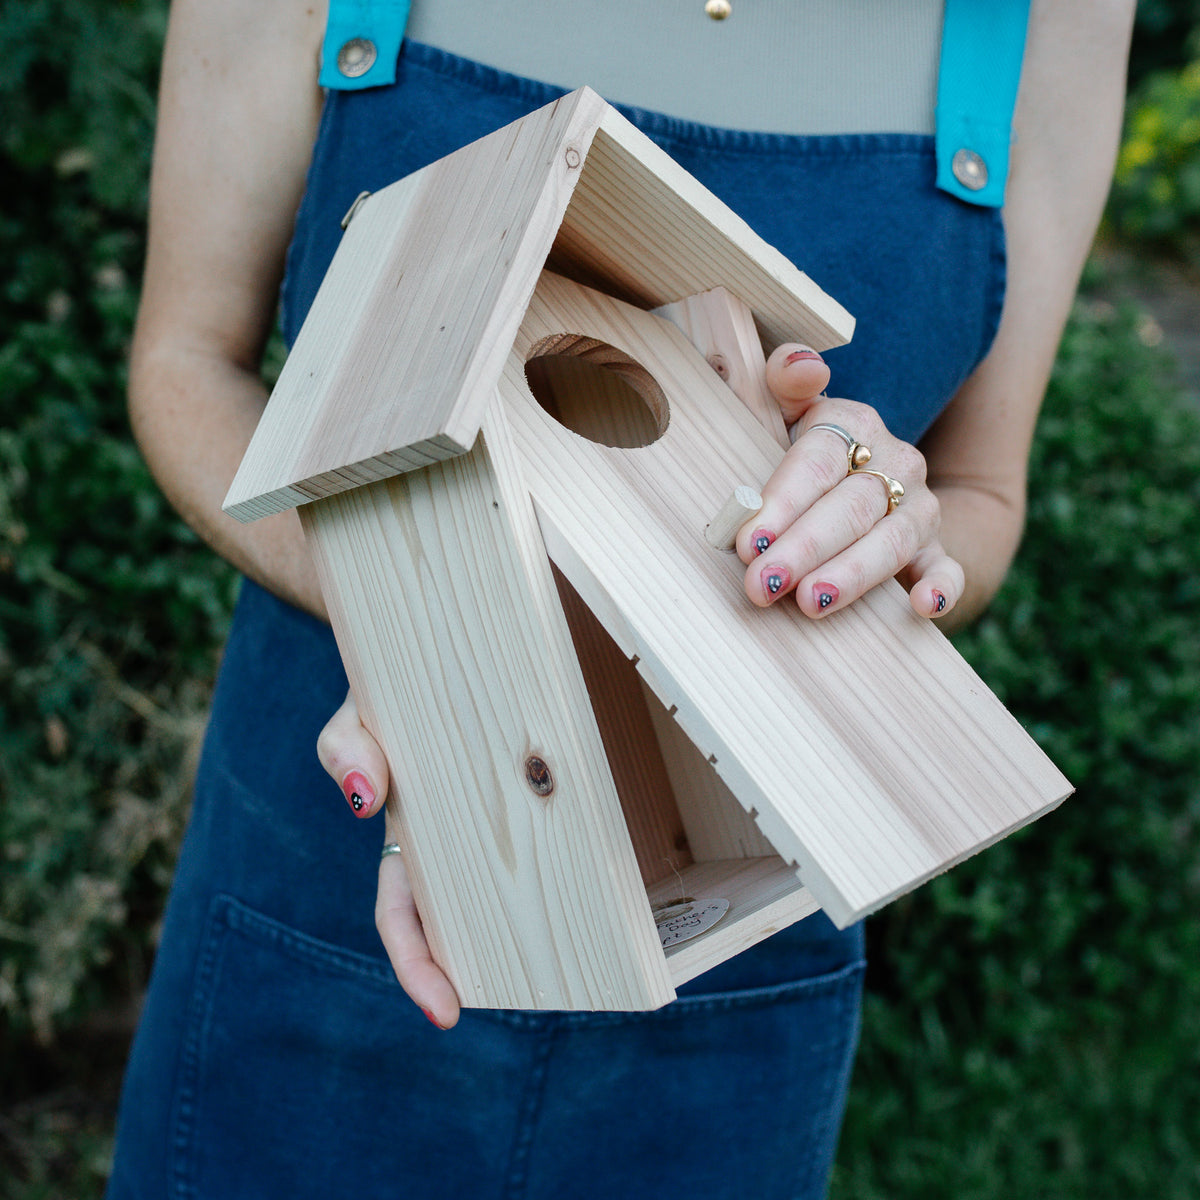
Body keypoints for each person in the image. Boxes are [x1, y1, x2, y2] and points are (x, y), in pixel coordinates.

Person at [107, 1, 1134, 1196]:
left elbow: (980, 493)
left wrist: (883, 528)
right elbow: (186, 365)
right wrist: (432, 621)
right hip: (345, 865)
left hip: (743, 920)